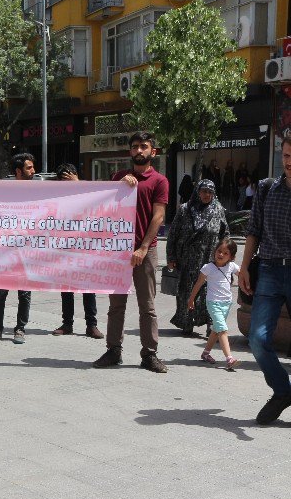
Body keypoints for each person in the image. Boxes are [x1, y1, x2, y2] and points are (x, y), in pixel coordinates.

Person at [93, 131, 169, 373]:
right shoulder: (118, 177)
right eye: (135, 146)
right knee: (116, 305)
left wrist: (143, 247)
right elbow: (102, 207)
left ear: (152, 152)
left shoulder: (159, 181)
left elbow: (158, 216)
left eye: (144, 146)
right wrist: (119, 186)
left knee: (147, 306)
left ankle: (149, 354)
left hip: (146, 251)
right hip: (118, 253)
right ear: (130, 151)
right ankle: (113, 350)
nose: (139, 150)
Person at [241, 134, 291, 423]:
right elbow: (253, 230)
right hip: (270, 270)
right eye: (285, 155)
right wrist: (245, 267)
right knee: (258, 340)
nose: (289, 161)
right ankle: (283, 391)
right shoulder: (266, 188)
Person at [165, 179, 228, 336]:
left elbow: (225, 234)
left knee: (209, 291)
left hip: (210, 258)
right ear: (197, 192)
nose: (207, 194)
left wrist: (226, 255)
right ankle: (186, 321)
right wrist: (171, 256)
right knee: (186, 289)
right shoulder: (185, 209)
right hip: (186, 258)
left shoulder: (218, 209)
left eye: (210, 192)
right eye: (204, 191)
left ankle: (210, 323)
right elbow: (172, 234)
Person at [0, 153, 35, 345]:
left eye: (32, 167)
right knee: (1, 292)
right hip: (5, 250)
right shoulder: (4, 191)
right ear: (18, 171)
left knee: (25, 292)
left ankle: (20, 329)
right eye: (29, 168)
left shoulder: (40, 191)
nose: (33, 171)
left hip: (27, 250)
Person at [50, 163, 103, 339]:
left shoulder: (85, 193)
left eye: (69, 178)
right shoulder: (56, 198)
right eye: (63, 180)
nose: (67, 183)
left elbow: (96, 203)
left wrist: (78, 183)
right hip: (64, 250)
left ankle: (91, 325)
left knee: (88, 287)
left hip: (85, 248)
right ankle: (67, 324)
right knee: (66, 288)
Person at [188, 238, 240, 370]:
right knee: (222, 329)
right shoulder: (208, 268)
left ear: (231, 257)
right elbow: (198, 284)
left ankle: (205, 353)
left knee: (216, 331)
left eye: (225, 253)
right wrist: (191, 299)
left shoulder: (232, 266)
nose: (221, 254)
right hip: (213, 303)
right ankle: (229, 358)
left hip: (227, 303)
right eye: (219, 251)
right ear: (215, 252)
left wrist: (249, 288)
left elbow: (243, 275)